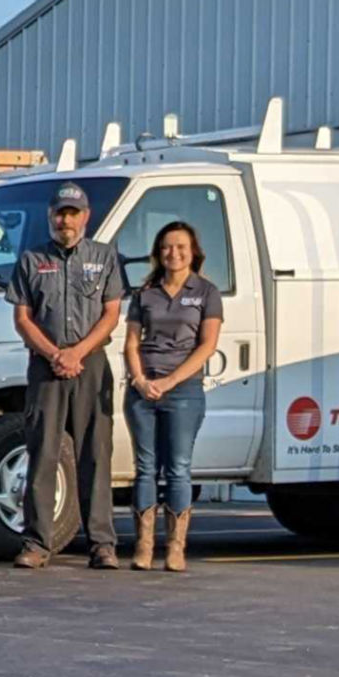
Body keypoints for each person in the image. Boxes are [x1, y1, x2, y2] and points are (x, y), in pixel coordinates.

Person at [10, 182, 126, 570]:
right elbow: (22, 317)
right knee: (42, 453)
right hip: (46, 366)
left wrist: (77, 351)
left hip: (90, 364)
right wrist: (54, 353)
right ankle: (37, 543)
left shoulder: (105, 257)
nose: (66, 220)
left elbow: (111, 313)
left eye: (73, 213)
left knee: (95, 454)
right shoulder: (30, 259)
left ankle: (102, 544)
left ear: (86, 217)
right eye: (60, 213)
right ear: (51, 216)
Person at [123, 220, 223, 573]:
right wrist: (138, 379)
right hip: (142, 390)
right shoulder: (145, 293)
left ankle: (176, 548)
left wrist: (170, 381)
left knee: (178, 469)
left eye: (181, 246)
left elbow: (207, 345)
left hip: (184, 390)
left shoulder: (206, 292)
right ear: (157, 252)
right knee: (145, 469)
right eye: (166, 246)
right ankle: (144, 546)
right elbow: (131, 342)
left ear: (193, 251)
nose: (173, 253)